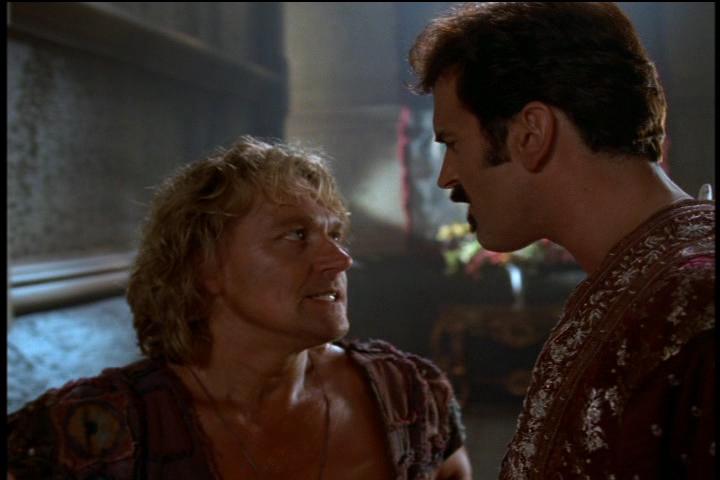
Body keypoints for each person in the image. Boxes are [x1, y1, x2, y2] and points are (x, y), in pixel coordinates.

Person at [7, 136, 472, 480]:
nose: (340, 259)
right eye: (296, 235)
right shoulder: (89, 434)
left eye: (335, 234)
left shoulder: (408, 395)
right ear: (205, 267)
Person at [407, 2, 714, 479]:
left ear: (531, 134)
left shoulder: (694, 300)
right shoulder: (639, 284)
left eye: (453, 143)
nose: (447, 176)